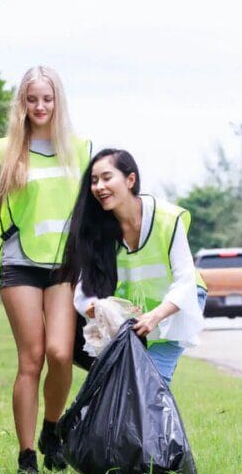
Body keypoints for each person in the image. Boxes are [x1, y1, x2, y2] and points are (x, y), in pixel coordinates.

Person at [0, 66, 90, 474]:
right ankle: (27, 456)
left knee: (61, 354)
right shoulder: (5, 150)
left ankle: (51, 431)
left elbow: (93, 212)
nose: (40, 106)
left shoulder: (81, 148)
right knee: (32, 358)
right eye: (32, 99)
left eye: (47, 98)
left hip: (63, 267)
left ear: (58, 101)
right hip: (20, 262)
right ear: (21, 103)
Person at [59, 148, 206, 386]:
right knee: (125, 384)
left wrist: (155, 316)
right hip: (135, 316)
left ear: (130, 179)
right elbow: (83, 290)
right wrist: (95, 307)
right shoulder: (97, 229)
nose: (99, 187)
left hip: (174, 308)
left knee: (152, 383)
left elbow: (185, 281)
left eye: (107, 178)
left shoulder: (167, 219)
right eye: (94, 181)